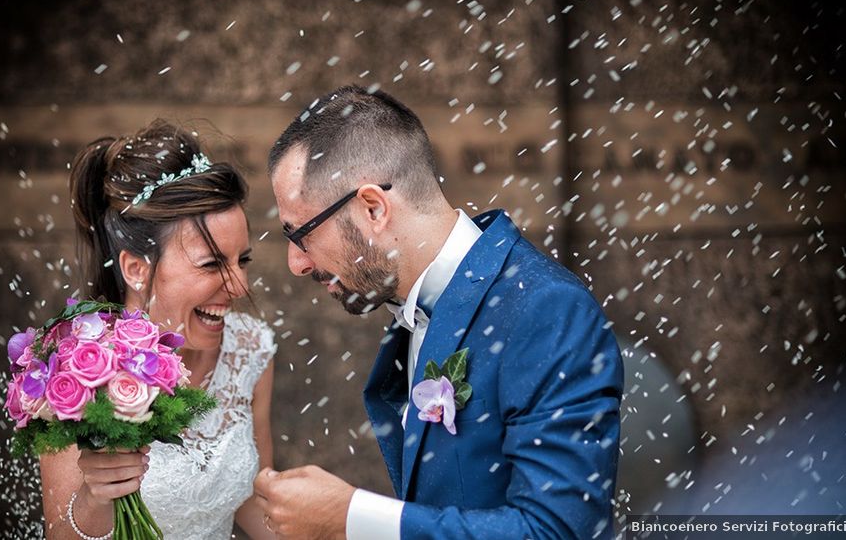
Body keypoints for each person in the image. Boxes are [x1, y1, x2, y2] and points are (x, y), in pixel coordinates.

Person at [255, 86, 624, 539]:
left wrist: (352, 519)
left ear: (373, 207)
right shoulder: (415, 305)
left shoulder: (545, 309)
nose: (297, 263)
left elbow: (558, 531)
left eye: (301, 233)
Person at [39, 119, 276, 539]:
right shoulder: (75, 372)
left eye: (243, 261)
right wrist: (96, 497)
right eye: (211, 264)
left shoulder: (250, 350)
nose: (239, 286)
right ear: (135, 268)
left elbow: (254, 500)